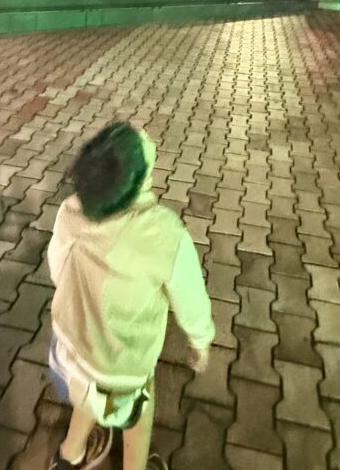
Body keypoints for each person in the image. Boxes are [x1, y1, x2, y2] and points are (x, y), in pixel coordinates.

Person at [47, 122, 215, 470]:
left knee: (87, 395)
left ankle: (70, 456)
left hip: (67, 353)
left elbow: (56, 269)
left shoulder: (70, 211)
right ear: (141, 181)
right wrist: (201, 340)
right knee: (138, 410)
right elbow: (190, 298)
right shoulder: (165, 232)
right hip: (119, 370)